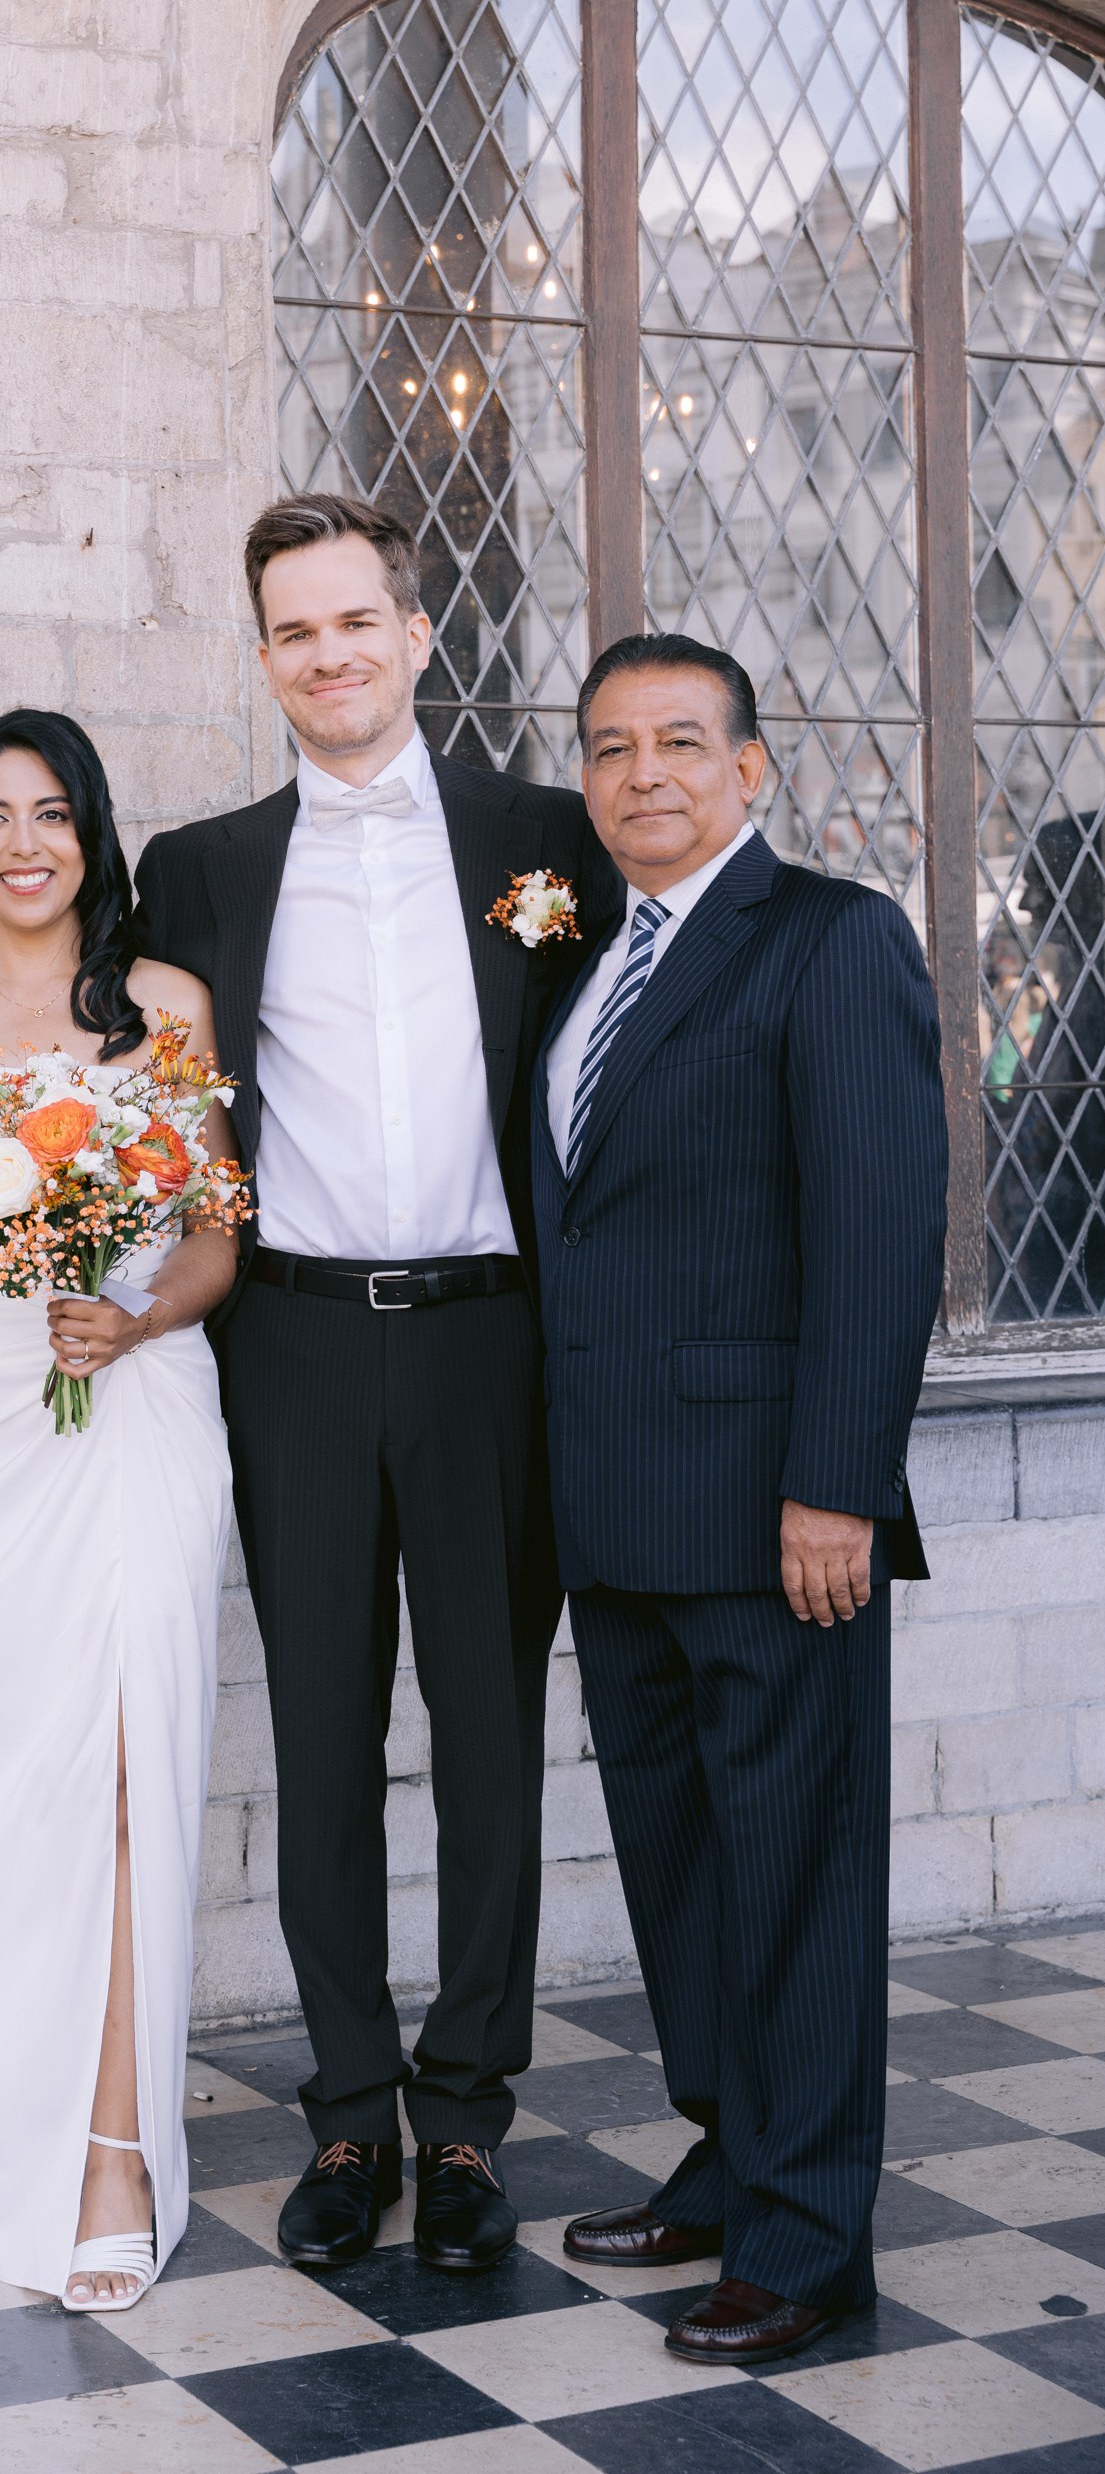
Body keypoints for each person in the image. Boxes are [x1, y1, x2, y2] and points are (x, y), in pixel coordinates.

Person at [134, 494, 619, 2274]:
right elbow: (143, 1091)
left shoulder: (542, 836)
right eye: (291, 630)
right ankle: (348, 2112)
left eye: (355, 621)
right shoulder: (197, 865)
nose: (327, 654)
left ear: (417, 637)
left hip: (496, 1335)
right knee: (323, 1733)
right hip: (298, 1339)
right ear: (261, 657)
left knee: (489, 1740)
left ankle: (468, 2116)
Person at [541, 634, 946, 2363]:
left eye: (683, 741)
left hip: (775, 1513)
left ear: (752, 767)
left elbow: (878, 1229)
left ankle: (805, 2234)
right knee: (682, 1867)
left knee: (791, 1873)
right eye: (614, 746)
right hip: (615, 1510)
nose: (648, 772)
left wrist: (834, 1487)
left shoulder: (830, 939)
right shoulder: (583, 958)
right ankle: (728, 2153)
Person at [0, 710, 239, 2311]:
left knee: (126, 1766)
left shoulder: (163, 1008)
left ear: (93, 832)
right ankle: (7, 2119)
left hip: (134, 1405)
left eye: (54, 815)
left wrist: (136, 1315)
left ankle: (114, 2146)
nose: (24, 845)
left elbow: (221, 1234)